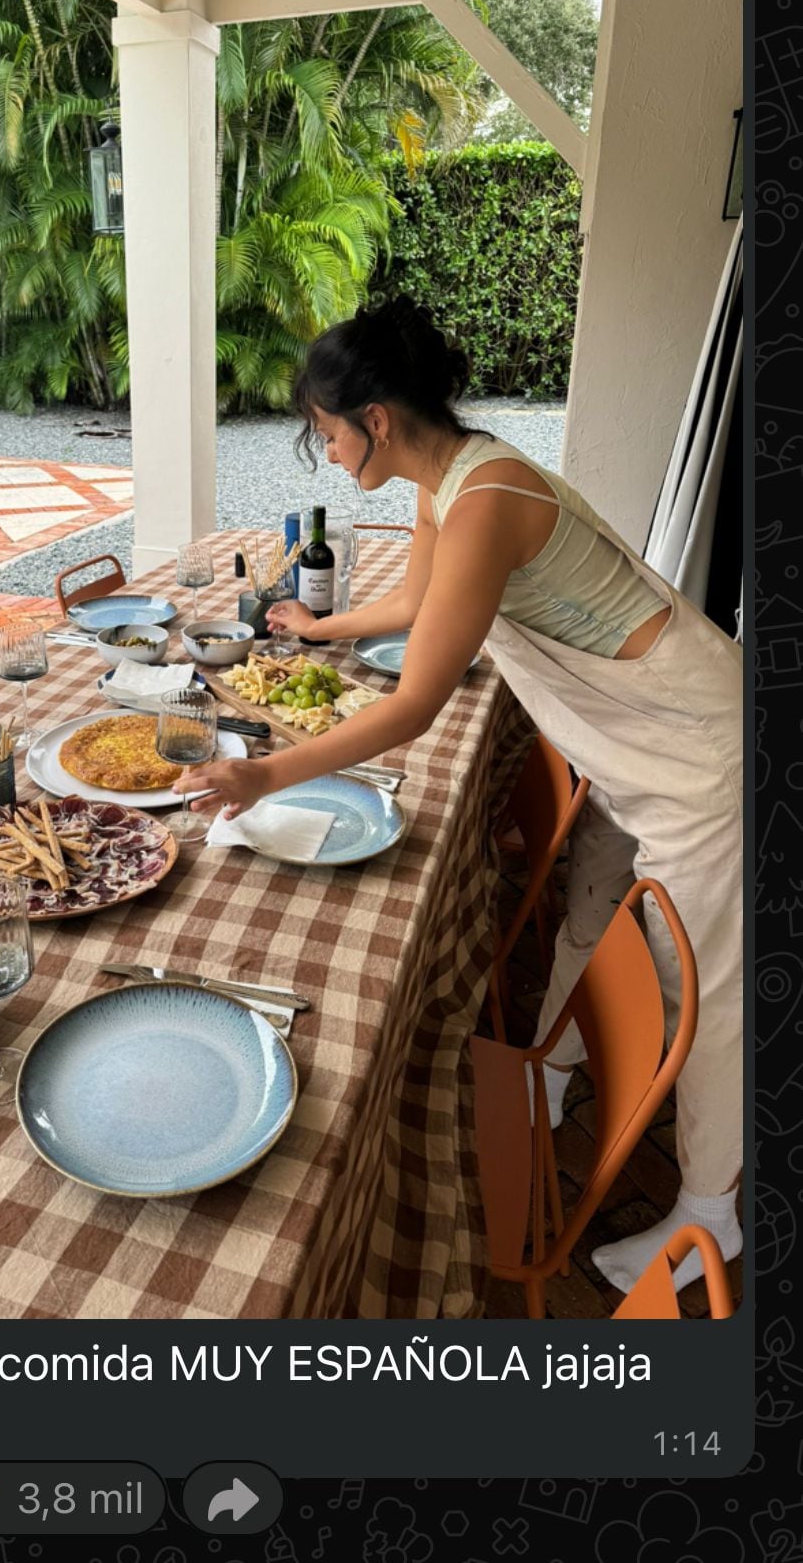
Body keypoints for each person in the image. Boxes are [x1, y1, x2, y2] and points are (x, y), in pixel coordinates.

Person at [178, 297, 742, 1295]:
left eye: (326, 426)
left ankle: (712, 1207)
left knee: (698, 976)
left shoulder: (484, 501)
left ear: (377, 420)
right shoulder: (452, 477)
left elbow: (413, 709)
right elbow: (418, 605)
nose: (326, 445)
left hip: (703, 751)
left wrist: (263, 773)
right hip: (629, 743)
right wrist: (317, 630)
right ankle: (564, 1065)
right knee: (592, 907)